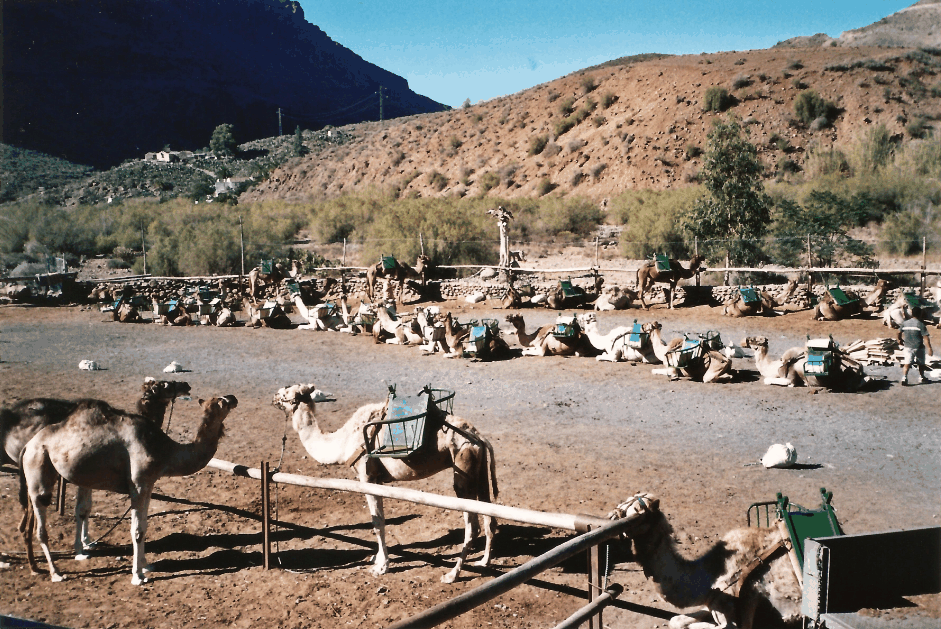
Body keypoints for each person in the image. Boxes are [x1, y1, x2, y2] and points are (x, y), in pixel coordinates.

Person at [898, 307, 933, 385]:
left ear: (911, 313)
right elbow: (925, 338)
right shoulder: (920, 324)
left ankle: (904, 377)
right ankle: (921, 377)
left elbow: (899, 332)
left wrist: (899, 339)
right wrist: (929, 348)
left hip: (907, 347)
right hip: (918, 347)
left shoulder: (905, 323)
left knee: (907, 363)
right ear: (920, 314)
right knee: (921, 364)